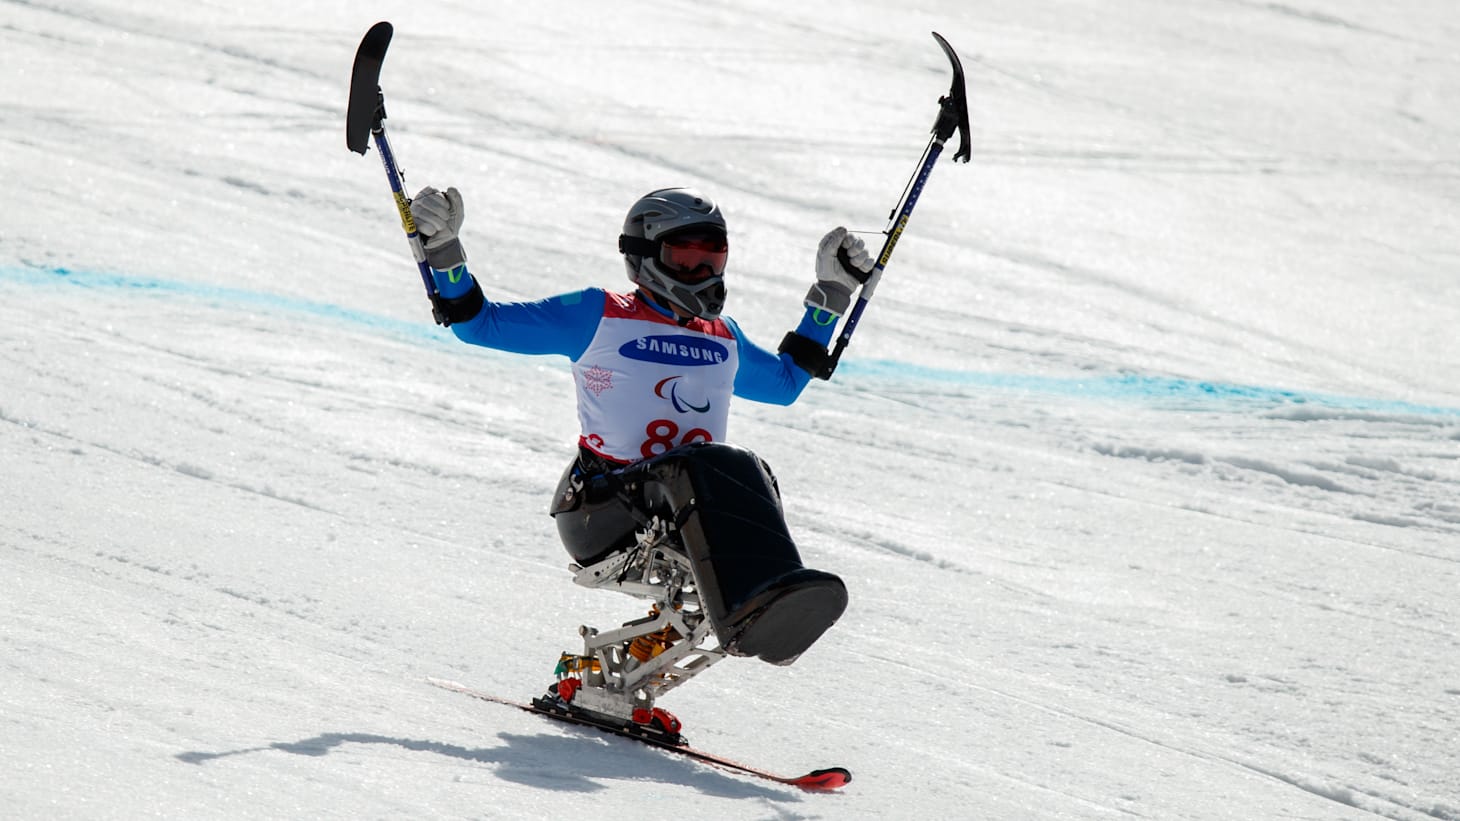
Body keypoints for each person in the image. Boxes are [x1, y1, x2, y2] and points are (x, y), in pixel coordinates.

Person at [409, 184, 872, 732]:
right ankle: (763, 595)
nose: (701, 274)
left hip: (681, 513)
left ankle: (623, 681)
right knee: (713, 462)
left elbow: (784, 384)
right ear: (646, 258)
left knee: (748, 472)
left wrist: (832, 293)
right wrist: (444, 251)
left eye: (712, 259)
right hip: (600, 508)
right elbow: (478, 324)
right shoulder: (599, 314)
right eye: (685, 259)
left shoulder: (722, 337)